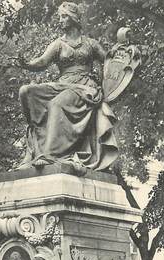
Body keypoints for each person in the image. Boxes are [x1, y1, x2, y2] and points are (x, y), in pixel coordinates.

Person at [18, 1, 118, 172]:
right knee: (26, 91)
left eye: (64, 16)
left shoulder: (90, 44)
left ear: (74, 18)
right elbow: (42, 62)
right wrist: (26, 64)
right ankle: (38, 142)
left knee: (56, 104)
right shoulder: (58, 44)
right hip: (63, 84)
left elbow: (109, 62)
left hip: (85, 87)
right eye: (60, 16)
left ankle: (49, 154)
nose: (60, 20)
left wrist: (120, 53)